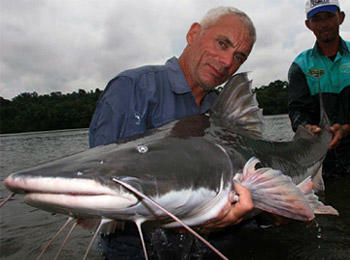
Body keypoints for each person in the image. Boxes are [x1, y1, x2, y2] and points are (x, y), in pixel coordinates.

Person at [89, 6, 256, 259]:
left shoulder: (223, 112)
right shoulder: (133, 88)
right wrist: (202, 219)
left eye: (239, 57)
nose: (227, 62)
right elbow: (105, 188)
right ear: (193, 34)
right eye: (222, 44)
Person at [288, 0, 350, 181]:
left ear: (340, 17)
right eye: (317, 19)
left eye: (329, 16)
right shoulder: (300, 65)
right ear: (309, 25)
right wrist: (306, 128)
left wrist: (346, 129)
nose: (324, 24)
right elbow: (297, 111)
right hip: (322, 162)